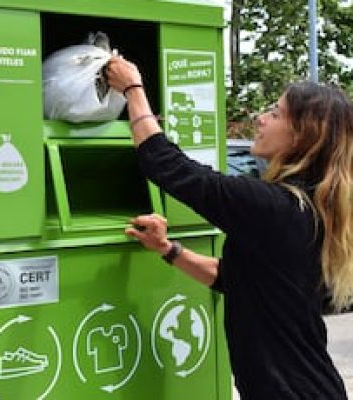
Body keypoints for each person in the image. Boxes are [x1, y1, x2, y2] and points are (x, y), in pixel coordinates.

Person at [105, 56, 352, 400]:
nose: (260, 118)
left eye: (276, 113)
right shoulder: (307, 207)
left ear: (301, 136)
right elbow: (236, 281)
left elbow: (167, 165)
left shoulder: (272, 206)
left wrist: (133, 88)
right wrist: (168, 249)